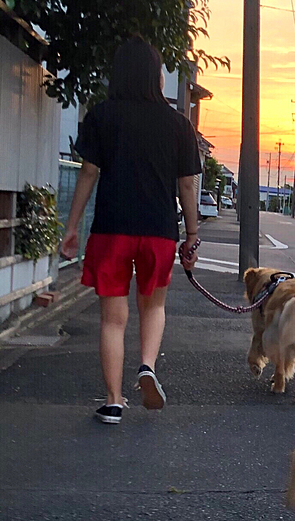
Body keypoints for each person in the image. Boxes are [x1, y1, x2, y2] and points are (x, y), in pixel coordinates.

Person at [60, 36, 201, 424]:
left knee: (112, 318)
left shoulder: (102, 116)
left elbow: (88, 173)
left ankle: (113, 400)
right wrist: (191, 234)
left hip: (112, 229)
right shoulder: (178, 125)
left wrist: (71, 228)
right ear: (157, 77)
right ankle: (146, 366)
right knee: (153, 305)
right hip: (158, 229)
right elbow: (186, 184)